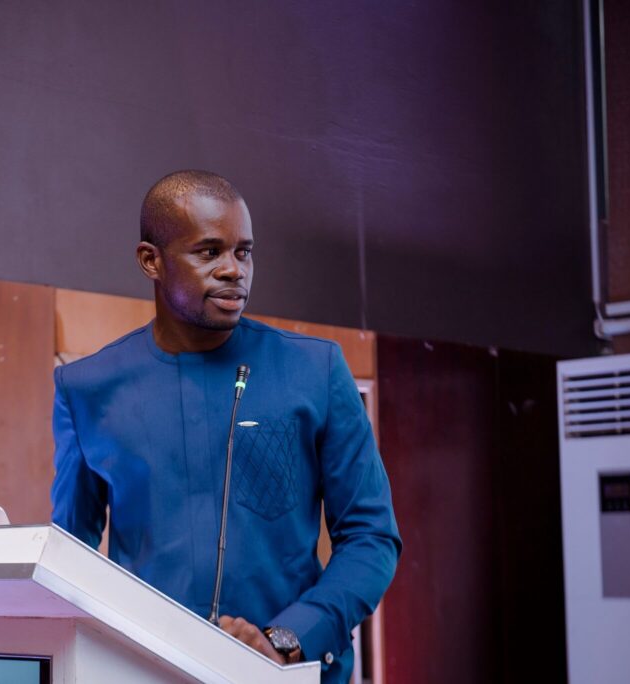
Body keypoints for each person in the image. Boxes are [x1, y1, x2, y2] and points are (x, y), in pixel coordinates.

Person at [51, 170, 401, 683]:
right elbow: (69, 558)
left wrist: (288, 639)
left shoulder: (316, 370)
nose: (234, 270)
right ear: (151, 260)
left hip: (288, 674)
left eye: (244, 252)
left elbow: (372, 537)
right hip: (142, 671)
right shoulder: (86, 387)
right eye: (209, 252)